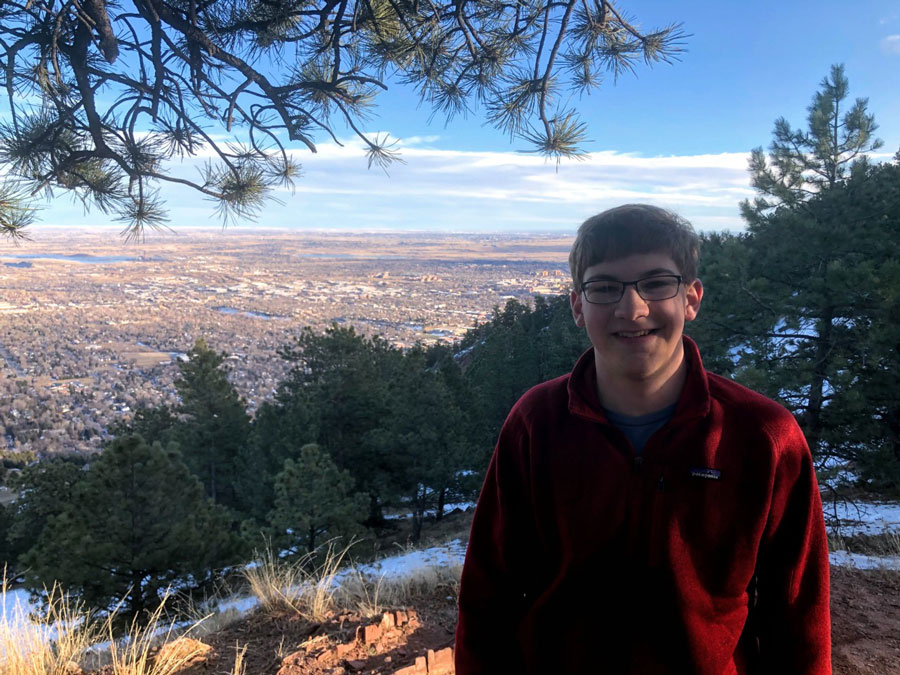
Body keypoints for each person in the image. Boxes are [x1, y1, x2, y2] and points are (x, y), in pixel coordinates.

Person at [455, 204, 831, 673]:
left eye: (656, 283)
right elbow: (488, 600)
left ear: (691, 299)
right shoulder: (536, 424)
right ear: (577, 305)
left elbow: (798, 619)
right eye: (605, 287)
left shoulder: (763, 436)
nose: (631, 309)